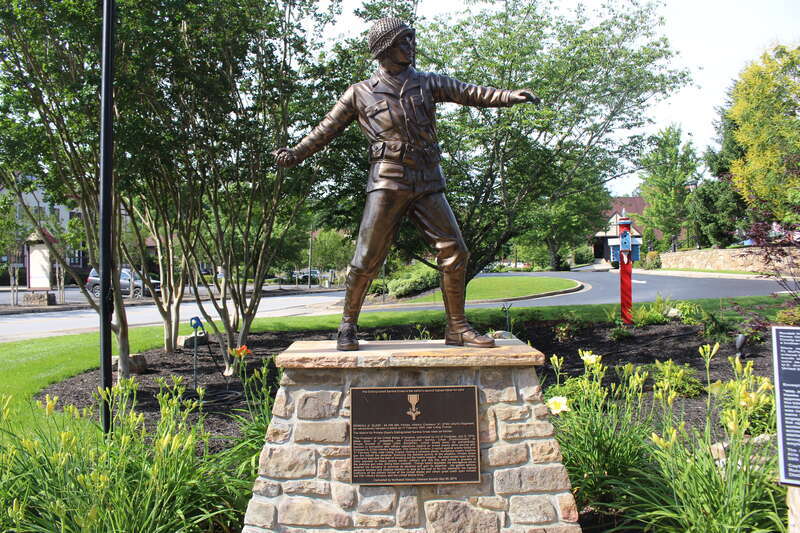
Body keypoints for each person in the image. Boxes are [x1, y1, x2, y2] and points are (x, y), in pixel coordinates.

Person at [275, 17, 538, 351]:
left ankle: (457, 328)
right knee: (367, 257)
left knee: (455, 251)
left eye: (412, 39)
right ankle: (347, 326)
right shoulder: (359, 93)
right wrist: (295, 154)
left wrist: (507, 96)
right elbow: (325, 130)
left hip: (427, 180)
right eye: (406, 40)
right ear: (385, 48)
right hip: (387, 180)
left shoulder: (427, 82)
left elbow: (469, 92)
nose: (413, 46)